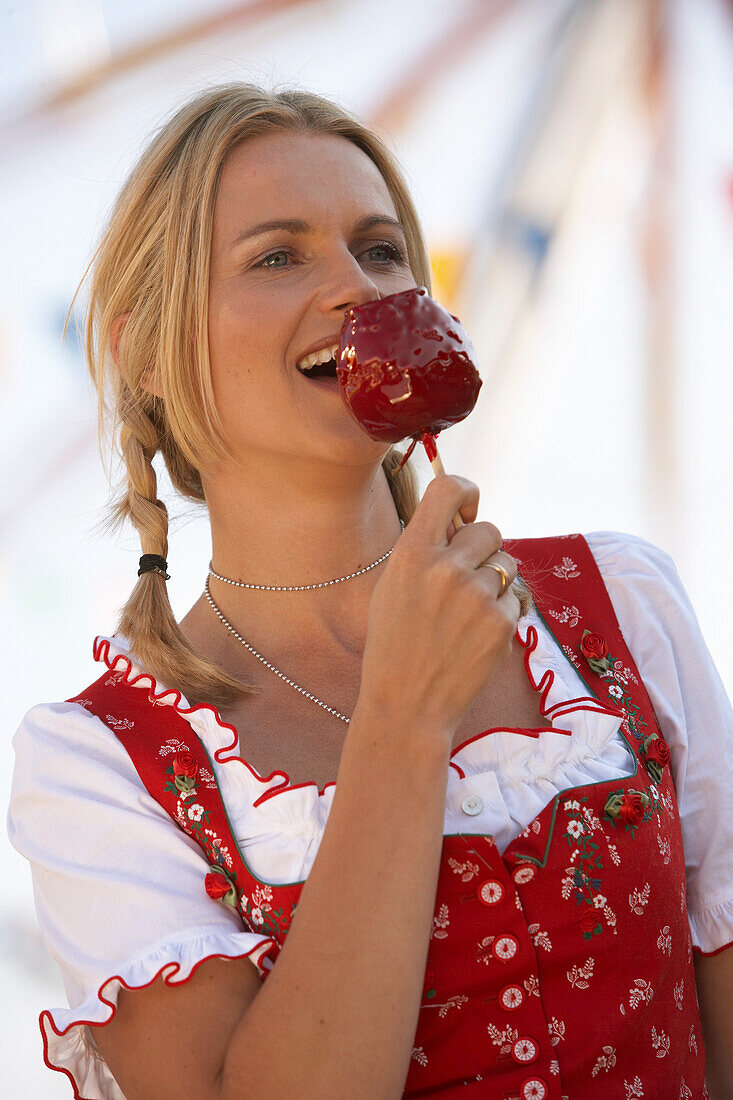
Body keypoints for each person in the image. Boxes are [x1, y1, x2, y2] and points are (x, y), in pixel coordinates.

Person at [6, 83, 732, 1100]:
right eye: (277, 255)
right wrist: (400, 715)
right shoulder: (97, 768)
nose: (359, 288)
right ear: (144, 351)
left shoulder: (620, 601)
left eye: (381, 250)